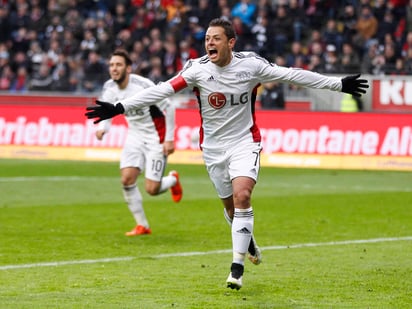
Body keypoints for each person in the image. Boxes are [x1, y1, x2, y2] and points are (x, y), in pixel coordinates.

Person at [85, 18, 369, 290]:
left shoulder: (251, 66)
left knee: (242, 196)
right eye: (207, 38)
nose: (210, 43)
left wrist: (339, 84)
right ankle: (249, 242)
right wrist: (118, 107)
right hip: (213, 149)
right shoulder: (196, 69)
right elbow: (162, 91)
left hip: (245, 142)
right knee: (231, 209)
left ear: (230, 42)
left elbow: (290, 74)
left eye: (216, 39)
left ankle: (237, 267)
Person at [93, 49, 183, 236]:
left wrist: (169, 139)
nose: (114, 69)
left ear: (128, 68)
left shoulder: (143, 86)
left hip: (156, 138)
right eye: (111, 65)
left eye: (118, 65)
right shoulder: (109, 87)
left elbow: (170, 107)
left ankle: (173, 179)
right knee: (126, 179)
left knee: (152, 189)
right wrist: (103, 128)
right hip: (134, 136)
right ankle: (142, 225)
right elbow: (107, 111)